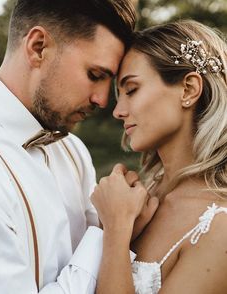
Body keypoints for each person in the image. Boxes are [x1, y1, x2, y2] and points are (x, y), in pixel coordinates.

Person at [0, 0, 139, 293]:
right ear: (38, 47)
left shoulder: (74, 152)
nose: (102, 100)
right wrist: (109, 232)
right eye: (95, 75)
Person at [91, 19, 227, 293]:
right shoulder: (141, 196)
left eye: (131, 90)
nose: (118, 111)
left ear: (189, 89)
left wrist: (116, 231)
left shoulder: (219, 227)